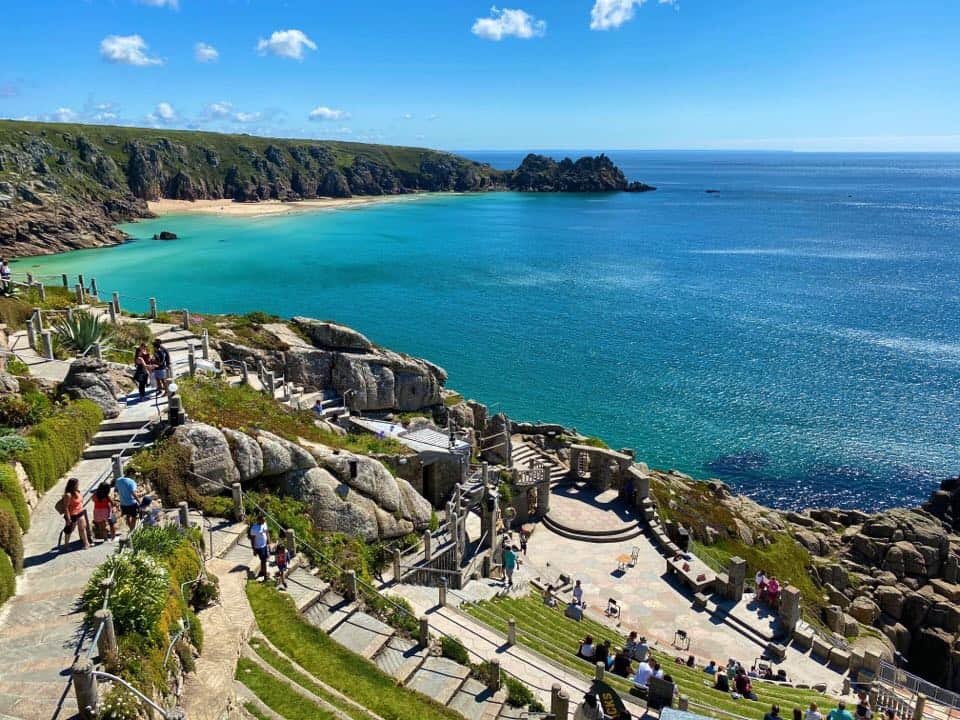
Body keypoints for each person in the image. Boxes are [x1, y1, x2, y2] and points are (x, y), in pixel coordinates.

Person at [61, 477, 90, 550]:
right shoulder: (68, 495)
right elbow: (66, 507)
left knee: (82, 528)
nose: (78, 485)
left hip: (80, 513)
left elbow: (80, 501)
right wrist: (68, 519)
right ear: (73, 485)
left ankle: (86, 544)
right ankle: (66, 545)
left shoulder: (77, 491)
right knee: (69, 530)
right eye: (77, 484)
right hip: (72, 515)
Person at [249, 514, 270, 581]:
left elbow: (267, 532)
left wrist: (268, 542)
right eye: (263, 520)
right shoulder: (254, 528)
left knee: (264, 560)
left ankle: (262, 572)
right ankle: (265, 577)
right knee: (264, 561)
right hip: (259, 547)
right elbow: (252, 539)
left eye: (264, 520)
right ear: (258, 520)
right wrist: (254, 549)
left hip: (265, 545)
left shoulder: (264, 524)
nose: (264, 521)